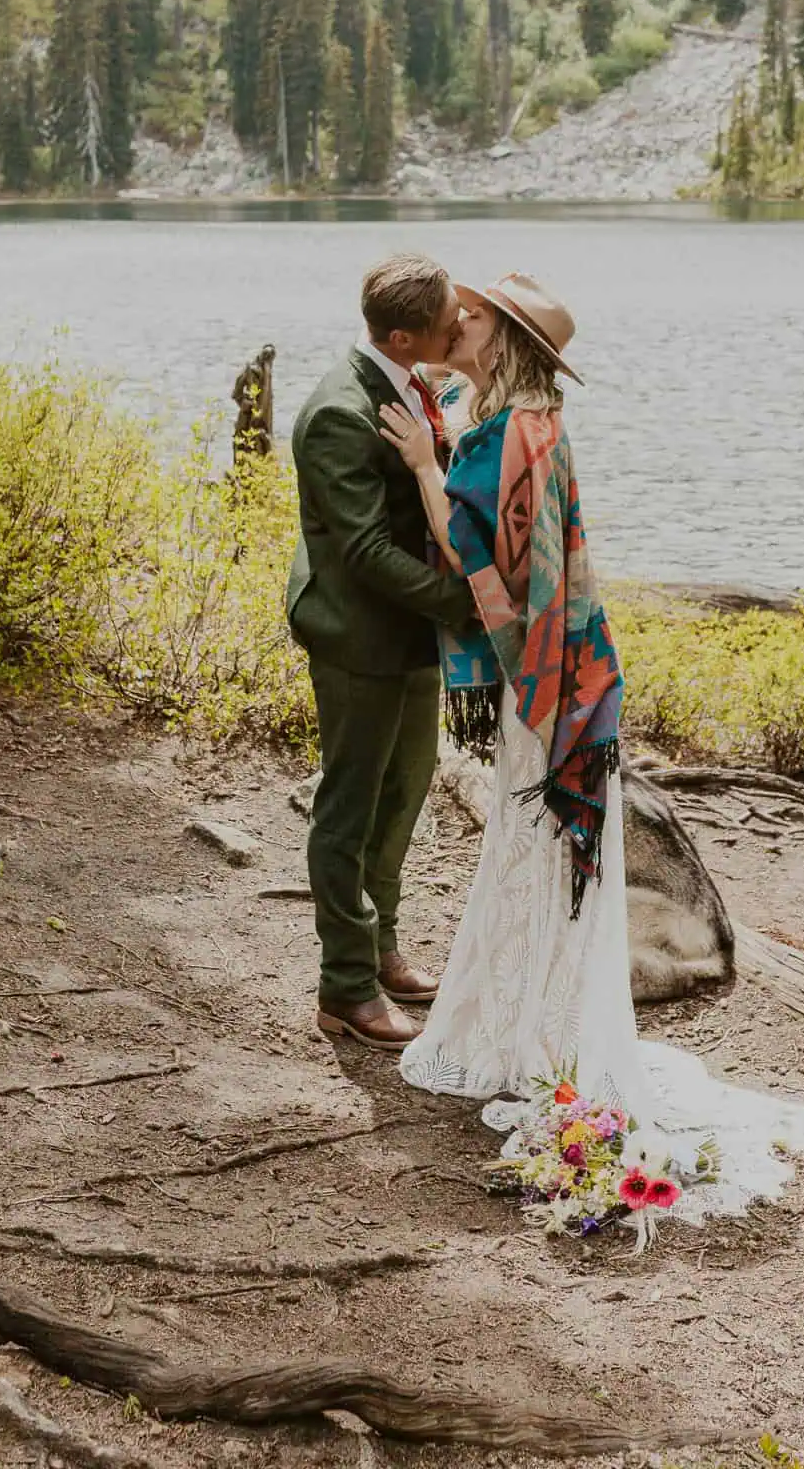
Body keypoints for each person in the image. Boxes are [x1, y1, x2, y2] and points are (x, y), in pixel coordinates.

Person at [379, 271, 804, 1221]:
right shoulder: (524, 421)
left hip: (543, 680)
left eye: (473, 318)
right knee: (531, 850)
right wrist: (447, 429)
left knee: (533, 847)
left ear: (501, 341)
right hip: (569, 668)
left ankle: (536, 1039)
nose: (456, 323)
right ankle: (533, 1028)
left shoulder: (513, 433)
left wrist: (425, 463)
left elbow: (473, 553)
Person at [287, 253, 478, 1053]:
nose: (459, 326)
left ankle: (383, 944)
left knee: (403, 794)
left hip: (410, 632)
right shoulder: (339, 411)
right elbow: (364, 549)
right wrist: (473, 606)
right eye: (446, 321)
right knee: (350, 805)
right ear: (403, 336)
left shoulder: (412, 383)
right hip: (358, 633)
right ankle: (345, 987)